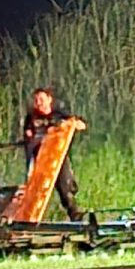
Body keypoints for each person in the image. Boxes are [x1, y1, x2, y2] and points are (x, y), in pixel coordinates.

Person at [22, 88, 87, 221]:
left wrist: (74, 124)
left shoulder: (58, 115)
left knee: (65, 187)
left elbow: (80, 123)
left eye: (42, 100)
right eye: (36, 101)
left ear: (49, 100)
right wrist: (29, 135)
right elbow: (27, 135)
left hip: (57, 158)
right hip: (40, 159)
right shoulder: (31, 117)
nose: (39, 103)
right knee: (36, 189)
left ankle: (75, 216)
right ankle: (28, 218)